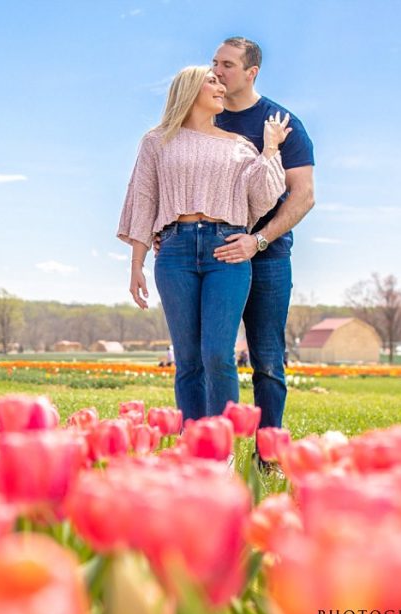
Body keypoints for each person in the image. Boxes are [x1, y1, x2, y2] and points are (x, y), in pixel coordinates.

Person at [117, 65, 289, 421]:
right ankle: (193, 449)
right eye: (212, 81)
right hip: (174, 250)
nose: (220, 87)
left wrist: (270, 147)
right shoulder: (157, 141)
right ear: (189, 89)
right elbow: (144, 199)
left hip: (225, 250)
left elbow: (262, 195)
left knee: (217, 354)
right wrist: (137, 264)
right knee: (188, 358)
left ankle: (221, 447)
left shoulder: (241, 146)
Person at [211, 37, 316, 430]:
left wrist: (259, 240)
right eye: (214, 62)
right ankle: (210, 451)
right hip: (213, 250)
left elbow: (304, 196)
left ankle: (267, 453)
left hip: (267, 256)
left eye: (227, 65)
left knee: (268, 359)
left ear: (251, 73)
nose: (216, 72)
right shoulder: (205, 117)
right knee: (209, 356)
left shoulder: (282, 124)